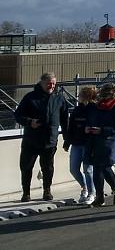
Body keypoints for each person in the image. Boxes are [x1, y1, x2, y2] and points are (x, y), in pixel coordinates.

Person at [14, 72, 69, 202]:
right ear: (42, 83)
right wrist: (29, 122)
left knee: (48, 168)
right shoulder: (30, 97)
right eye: (49, 83)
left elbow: (65, 120)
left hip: (49, 140)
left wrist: (67, 139)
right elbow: (18, 115)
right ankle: (26, 193)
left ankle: (47, 191)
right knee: (26, 167)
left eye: (54, 84)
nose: (52, 86)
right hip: (31, 140)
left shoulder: (59, 98)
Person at [85, 83, 115, 206]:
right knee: (97, 167)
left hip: (111, 139)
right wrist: (89, 128)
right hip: (97, 139)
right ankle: (100, 196)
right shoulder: (98, 106)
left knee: (105, 165)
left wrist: (103, 130)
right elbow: (91, 118)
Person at [63, 86, 97, 204]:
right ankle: (84, 187)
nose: (79, 97)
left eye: (81, 95)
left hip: (88, 142)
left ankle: (92, 193)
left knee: (88, 169)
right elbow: (71, 127)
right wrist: (67, 142)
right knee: (73, 169)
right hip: (76, 142)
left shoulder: (94, 109)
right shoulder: (77, 110)